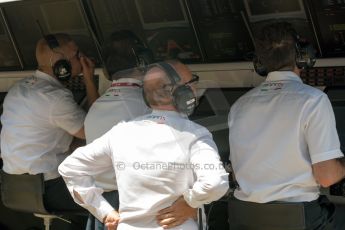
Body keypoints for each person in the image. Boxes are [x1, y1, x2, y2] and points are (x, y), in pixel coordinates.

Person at [58, 60, 229, 229]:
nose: (195, 88)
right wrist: (190, 202)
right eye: (192, 82)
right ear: (181, 92)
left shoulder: (120, 132)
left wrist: (104, 211)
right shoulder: (195, 134)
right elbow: (214, 184)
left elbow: (70, 167)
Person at [228, 21, 345, 229]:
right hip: (297, 218)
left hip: (244, 217)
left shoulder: (239, 105)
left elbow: (238, 174)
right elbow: (327, 177)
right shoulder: (313, 100)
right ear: (303, 57)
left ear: (259, 63)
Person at [0, 33, 99, 228]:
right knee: (111, 191)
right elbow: (93, 130)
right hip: (49, 190)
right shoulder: (55, 97)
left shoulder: (17, 89)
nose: (82, 58)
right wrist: (89, 80)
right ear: (60, 65)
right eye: (76, 55)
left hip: (13, 188)